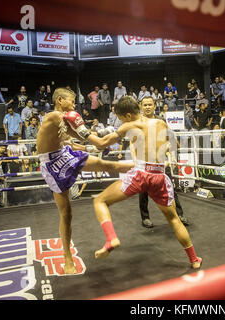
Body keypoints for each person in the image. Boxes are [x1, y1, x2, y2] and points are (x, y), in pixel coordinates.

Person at [79, 96, 202, 269]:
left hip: (141, 174)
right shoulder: (161, 123)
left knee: (100, 200)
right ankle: (194, 260)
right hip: (159, 176)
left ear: (128, 115)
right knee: (174, 219)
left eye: (121, 118)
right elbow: (175, 145)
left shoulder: (129, 125)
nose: (121, 122)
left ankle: (111, 238)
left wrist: (80, 130)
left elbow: (101, 144)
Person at [36, 87, 134, 274]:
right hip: (52, 164)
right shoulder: (54, 116)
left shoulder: (65, 120)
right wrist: (99, 141)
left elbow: (79, 138)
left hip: (64, 152)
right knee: (66, 213)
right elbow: (84, 135)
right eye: (71, 102)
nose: (73, 105)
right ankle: (67, 259)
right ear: (59, 100)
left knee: (106, 165)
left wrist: (96, 144)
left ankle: (142, 165)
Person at [136, 96, 189, 228]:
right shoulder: (138, 122)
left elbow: (170, 139)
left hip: (160, 161)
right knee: (143, 191)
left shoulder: (161, 121)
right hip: (143, 160)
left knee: (170, 188)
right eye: (145, 105)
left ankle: (179, 214)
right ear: (141, 107)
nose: (148, 107)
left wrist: (172, 155)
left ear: (154, 106)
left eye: (150, 104)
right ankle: (145, 218)